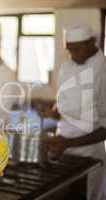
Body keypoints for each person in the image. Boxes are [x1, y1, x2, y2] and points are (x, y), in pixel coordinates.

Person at [39, 25, 106, 200]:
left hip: (89, 154)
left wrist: (68, 142)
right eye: (69, 50)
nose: (73, 56)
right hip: (62, 149)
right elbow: (63, 105)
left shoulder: (103, 71)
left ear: (92, 42)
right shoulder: (67, 66)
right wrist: (52, 112)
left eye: (77, 49)